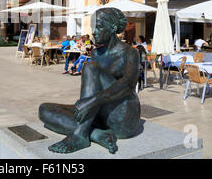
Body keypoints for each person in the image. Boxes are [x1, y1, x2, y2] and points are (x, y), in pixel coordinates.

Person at [39, 8, 141, 154]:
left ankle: (80, 135)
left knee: (90, 68)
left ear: (112, 28)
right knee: (45, 110)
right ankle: (96, 134)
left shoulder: (129, 52)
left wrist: (93, 101)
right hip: (100, 115)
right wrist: (91, 102)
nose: (94, 32)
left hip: (124, 118)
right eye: (93, 28)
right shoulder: (95, 53)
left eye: (98, 27)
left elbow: (129, 85)